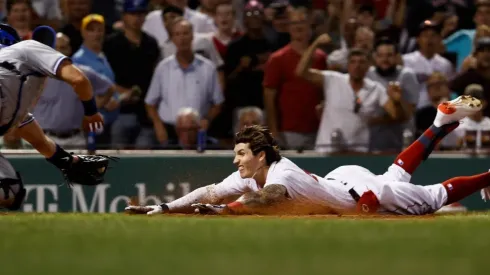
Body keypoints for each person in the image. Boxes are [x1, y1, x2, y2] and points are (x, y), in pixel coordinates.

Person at [126, 95, 490, 216]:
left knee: (433, 197)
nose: (236, 161)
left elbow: (269, 199)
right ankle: (440, 121)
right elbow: (208, 192)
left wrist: (226, 210)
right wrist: (165, 208)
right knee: (395, 172)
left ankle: (483, 169)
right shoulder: (254, 172)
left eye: (241, 154)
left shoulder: (280, 175)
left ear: (262, 154)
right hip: (347, 181)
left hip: (364, 194)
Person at [0, 23, 110, 211]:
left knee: (10, 192)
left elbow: (40, 141)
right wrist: (91, 111)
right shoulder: (28, 47)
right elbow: (79, 79)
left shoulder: (15, 100)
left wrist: (66, 161)